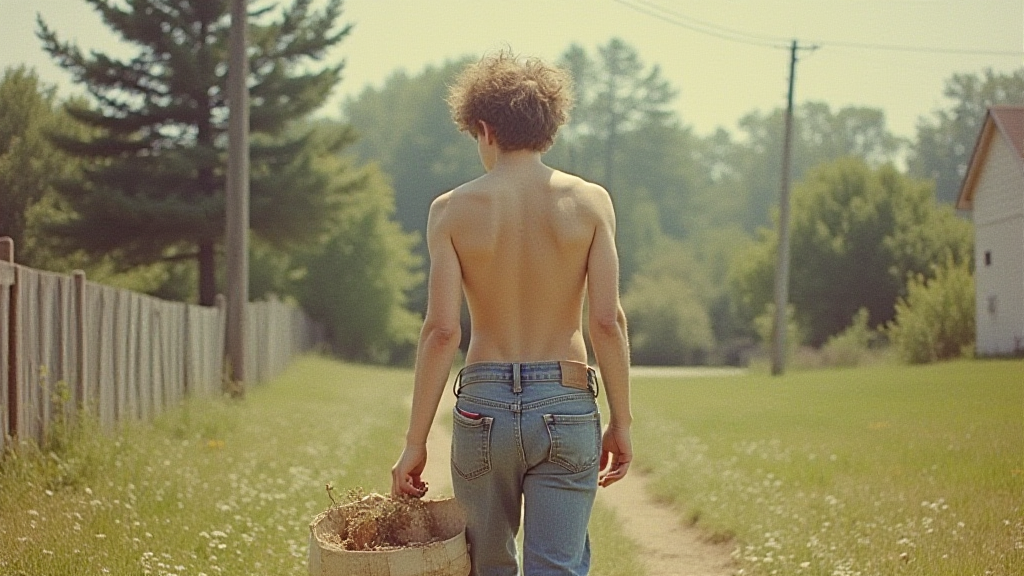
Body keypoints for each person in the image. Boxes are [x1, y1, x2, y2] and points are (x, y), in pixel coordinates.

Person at [391, 50, 632, 576]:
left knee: (488, 566)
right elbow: (607, 321)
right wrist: (622, 421)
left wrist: (414, 443)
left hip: (484, 406)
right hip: (567, 403)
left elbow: (441, 331)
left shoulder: (450, 210)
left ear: (484, 128)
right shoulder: (591, 203)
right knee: (557, 566)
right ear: (549, 126)